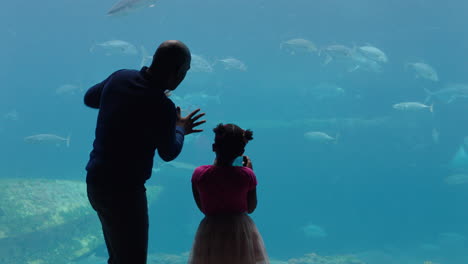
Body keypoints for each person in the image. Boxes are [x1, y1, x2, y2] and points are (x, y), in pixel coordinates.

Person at [83, 40, 206, 264]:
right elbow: (168, 153)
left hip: (96, 183)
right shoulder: (161, 106)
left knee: (118, 256)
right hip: (125, 193)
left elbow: (90, 98)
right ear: (178, 72)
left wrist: (123, 101)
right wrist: (180, 129)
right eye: (186, 71)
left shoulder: (120, 77)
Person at [189, 123, 269, 264]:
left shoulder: (199, 174)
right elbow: (251, 208)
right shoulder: (247, 175)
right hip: (241, 232)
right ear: (241, 151)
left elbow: (203, 208)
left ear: (214, 147)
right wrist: (249, 172)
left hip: (210, 231)